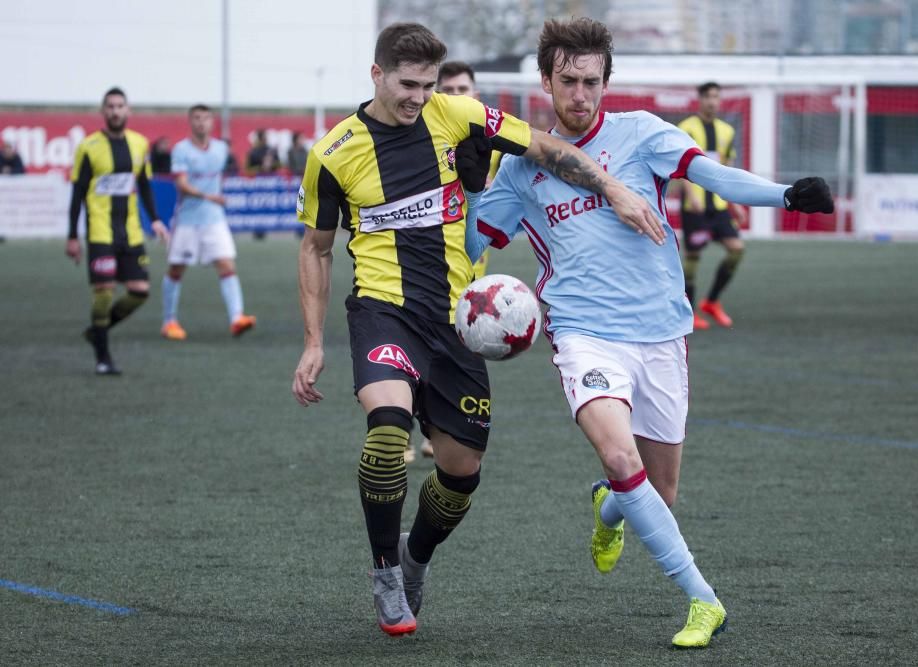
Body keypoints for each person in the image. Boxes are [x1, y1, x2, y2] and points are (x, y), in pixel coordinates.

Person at [463, 17, 833, 648]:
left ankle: (608, 508)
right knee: (619, 453)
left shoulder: (641, 133)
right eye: (567, 81)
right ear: (546, 80)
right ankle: (704, 602)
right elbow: (474, 242)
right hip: (583, 333)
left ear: (606, 80)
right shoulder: (523, 169)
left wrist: (788, 196)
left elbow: (711, 176)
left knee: (655, 493)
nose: (580, 95)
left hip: (661, 332)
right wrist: (470, 184)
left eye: (591, 81)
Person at [291, 22, 665, 637]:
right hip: (384, 311)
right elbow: (316, 248)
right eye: (407, 84)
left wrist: (614, 189)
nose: (418, 97)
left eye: (428, 85)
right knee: (387, 433)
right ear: (377, 75)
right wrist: (312, 342)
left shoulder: (460, 114)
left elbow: (546, 148)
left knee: (461, 473)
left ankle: (414, 558)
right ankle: (385, 572)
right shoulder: (334, 153)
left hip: (458, 322)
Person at [409, 60, 500, 463]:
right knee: (412, 350)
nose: (455, 97)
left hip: (473, 272)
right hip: (426, 271)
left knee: (457, 360)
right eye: (447, 90)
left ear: (475, 96)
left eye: (463, 89)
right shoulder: (420, 141)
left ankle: (437, 431)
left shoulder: (493, 147)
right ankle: (402, 434)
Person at [65, 87, 169, 375]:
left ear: (128, 110)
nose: (115, 111)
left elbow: (145, 185)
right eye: (110, 106)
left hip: (131, 232)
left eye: (120, 106)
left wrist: (156, 219)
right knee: (104, 292)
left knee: (139, 292)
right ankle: (103, 357)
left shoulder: (139, 144)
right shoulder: (88, 146)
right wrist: (73, 235)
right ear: (103, 111)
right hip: (100, 232)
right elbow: (77, 193)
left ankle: (97, 330)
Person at [160, 104, 256, 340]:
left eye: (205, 118)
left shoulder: (221, 149)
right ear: (190, 122)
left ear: (212, 122)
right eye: (196, 118)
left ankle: (237, 318)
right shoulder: (181, 150)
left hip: (214, 219)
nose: (201, 122)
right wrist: (208, 196)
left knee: (226, 265)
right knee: (176, 269)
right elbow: (180, 184)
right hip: (187, 220)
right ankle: (169, 321)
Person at [677, 82, 748, 330]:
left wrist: (735, 203)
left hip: (717, 206)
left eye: (716, 97)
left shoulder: (726, 131)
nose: (712, 101)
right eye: (708, 96)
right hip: (694, 206)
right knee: (693, 257)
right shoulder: (686, 128)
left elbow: (727, 171)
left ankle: (712, 302)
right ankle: (690, 312)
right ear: (699, 99)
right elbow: (679, 166)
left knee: (737, 249)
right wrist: (691, 194)